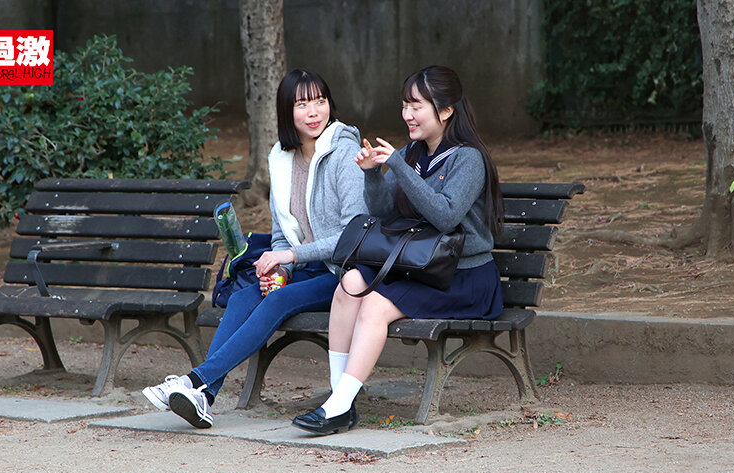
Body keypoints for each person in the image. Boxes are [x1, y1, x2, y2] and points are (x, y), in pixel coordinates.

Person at [142, 68, 367, 428]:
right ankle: (205, 397)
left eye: (320, 101)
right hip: (305, 268)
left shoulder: (344, 153)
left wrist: (290, 256)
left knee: (277, 301)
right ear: (286, 112)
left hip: (344, 273)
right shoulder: (282, 159)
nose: (314, 112)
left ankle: (193, 381)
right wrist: (281, 270)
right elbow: (282, 234)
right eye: (302, 104)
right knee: (244, 296)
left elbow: (352, 234)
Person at [292, 65, 505, 435]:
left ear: (446, 110)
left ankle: (337, 406)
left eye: (417, 106)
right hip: (422, 267)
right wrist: (372, 174)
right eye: (405, 105)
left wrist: (397, 166)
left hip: (464, 277)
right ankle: (340, 399)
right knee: (350, 284)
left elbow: (445, 216)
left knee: (374, 306)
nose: (407, 114)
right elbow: (382, 212)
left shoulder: (468, 158)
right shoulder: (412, 153)